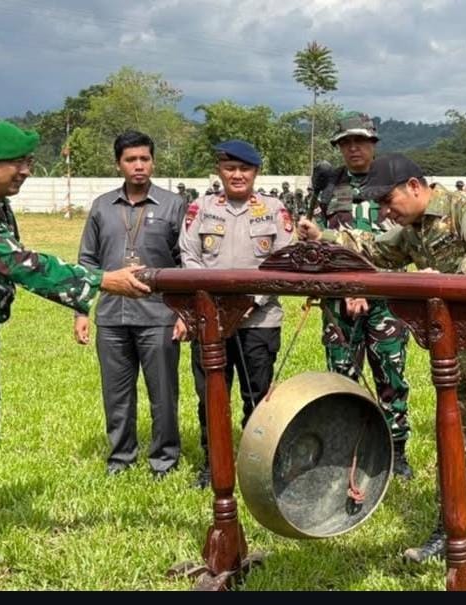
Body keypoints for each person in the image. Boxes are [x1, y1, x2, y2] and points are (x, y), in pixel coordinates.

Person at [0, 121, 150, 590]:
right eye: (17, 163)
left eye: (28, 163)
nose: (25, 172)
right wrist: (99, 281)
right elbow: (19, 262)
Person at [297, 153, 466, 572]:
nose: (386, 211)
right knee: (458, 450)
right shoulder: (411, 229)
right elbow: (376, 249)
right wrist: (322, 235)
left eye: (389, 201)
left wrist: (431, 285)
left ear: (415, 186)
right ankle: (449, 529)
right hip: (461, 354)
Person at [180, 140, 294, 489]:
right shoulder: (201, 208)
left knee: (258, 397)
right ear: (220, 171)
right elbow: (189, 255)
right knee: (211, 394)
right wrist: (215, 305)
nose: (237, 175)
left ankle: (255, 463)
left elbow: (284, 261)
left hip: (259, 319)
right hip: (211, 320)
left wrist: (247, 302)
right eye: (230, 168)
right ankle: (213, 463)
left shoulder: (274, 210)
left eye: (245, 169)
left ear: (256, 172)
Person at [75, 130, 187, 479]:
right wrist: (81, 310)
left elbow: (186, 262)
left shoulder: (173, 205)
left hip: (159, 315)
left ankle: (164, 460)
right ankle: (121, 458)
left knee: (163, 393)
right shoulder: (102, 207)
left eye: (144, 159)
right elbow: (86, 261)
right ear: (118, 164)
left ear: (153, 162)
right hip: (111, 316)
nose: (138, 166)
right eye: (130, 160)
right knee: (116, 393)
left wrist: (185, 313)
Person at [314, 112, 414, 480]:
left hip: (387, 300)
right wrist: (347, 288)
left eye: (360, 141)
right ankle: (345, 452)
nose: (353, 148)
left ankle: (395, 450)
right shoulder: (327, 187)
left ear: (373, 144)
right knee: (341, 376)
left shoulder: (393, 183)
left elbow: (401, 241)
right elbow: (320, 246)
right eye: (345, 142)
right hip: (339, 303)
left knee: (391, 374)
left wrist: (368, 288)